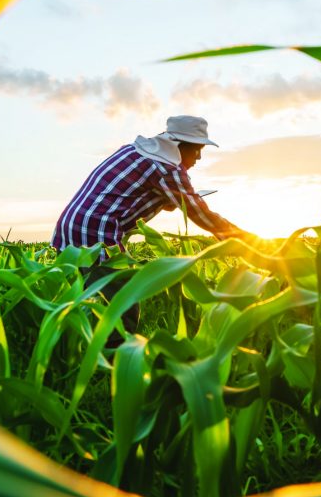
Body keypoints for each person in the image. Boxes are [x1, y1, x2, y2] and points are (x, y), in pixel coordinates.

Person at [51, 115, 248, 340]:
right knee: (122, 302)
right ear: (179, 146)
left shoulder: (136, 152)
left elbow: (127, 194)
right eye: (196, 150)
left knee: (83, 300)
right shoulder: (167, 168)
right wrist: (243, 241)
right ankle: (116, 362)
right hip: (96, 233)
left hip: (70, 227)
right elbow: (200, 214)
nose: (199, 157)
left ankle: (78, 352)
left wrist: (167, 201)